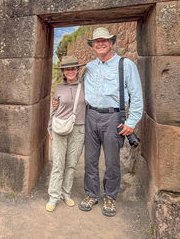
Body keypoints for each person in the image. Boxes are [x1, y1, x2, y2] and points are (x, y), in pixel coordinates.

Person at [79, 27, 143, 217]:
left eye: (104, 40)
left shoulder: (125, 65)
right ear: (93, 45)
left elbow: (136, 96)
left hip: (113, 117)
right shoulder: (90, 67)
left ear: (111, 43)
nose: (100, 43)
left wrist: (131, 122)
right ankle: (91, 194)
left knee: (112, 161)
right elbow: (78, 90)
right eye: (96, 41)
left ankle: (110, 196)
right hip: (90, 115)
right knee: (90, 159)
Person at [46, 56, 86, 212]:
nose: (70, 71)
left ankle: (66, 193)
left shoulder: (84, 87)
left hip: (78, 128)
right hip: (60, 128)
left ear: (77, 70)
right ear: (63, 71)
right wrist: (50, 129)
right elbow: (54, 110)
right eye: (67, 69)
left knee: (71, 163)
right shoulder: (58, 88)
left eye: (73, 68)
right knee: (58, 163)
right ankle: (53, 196)